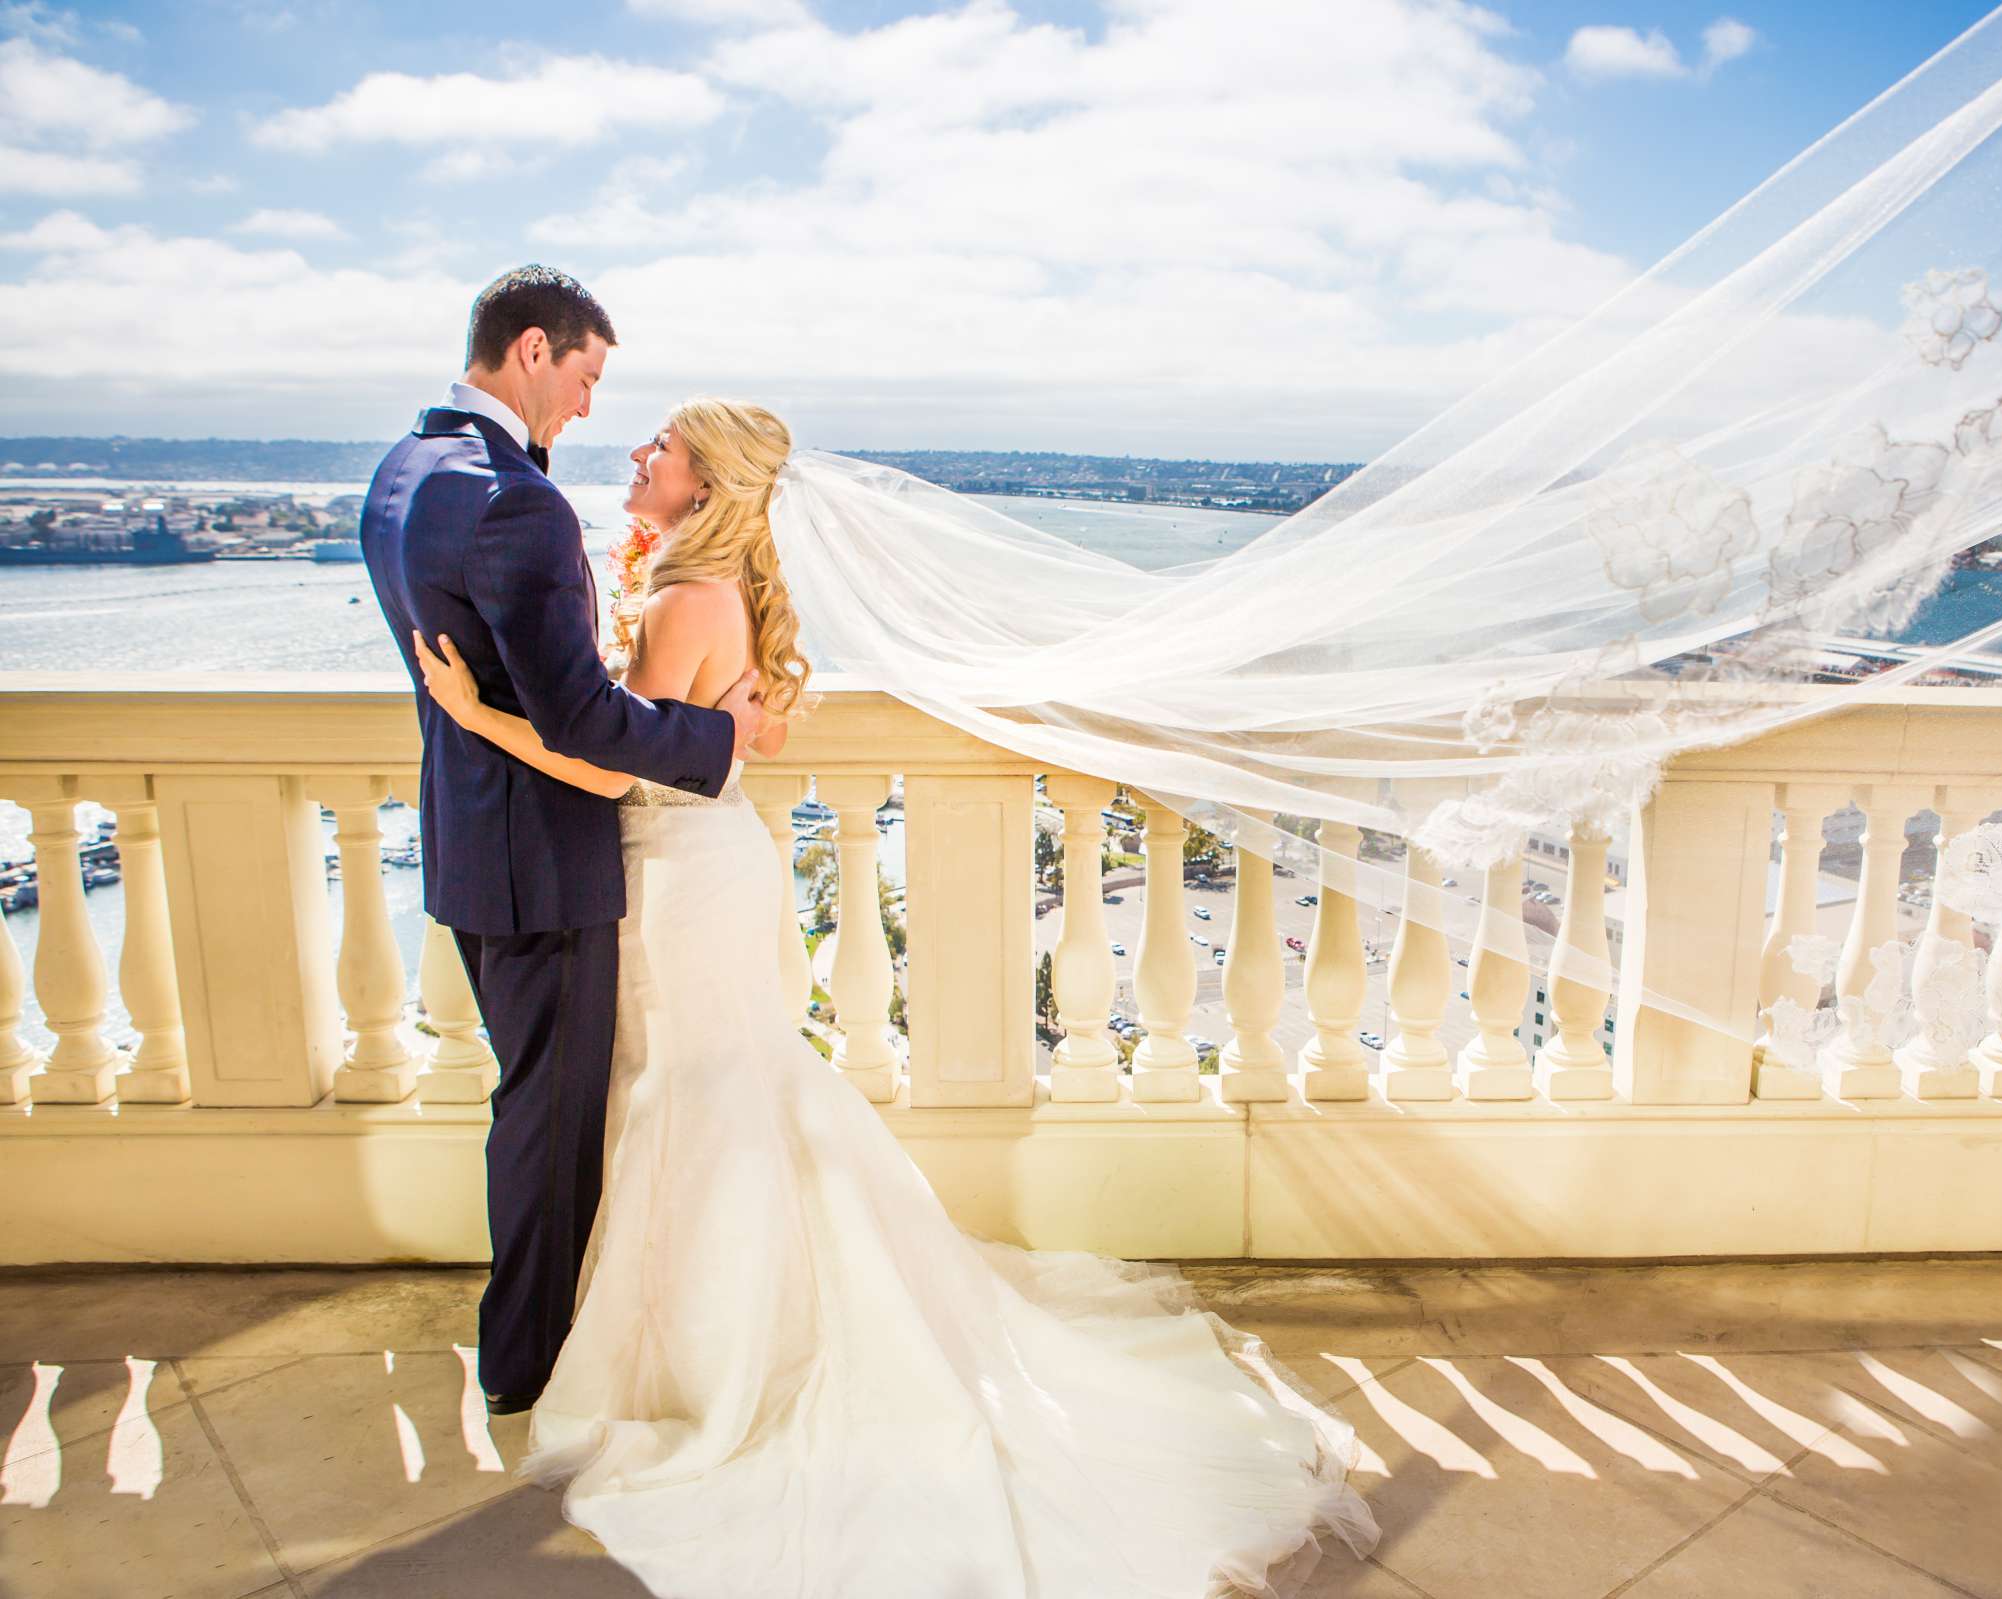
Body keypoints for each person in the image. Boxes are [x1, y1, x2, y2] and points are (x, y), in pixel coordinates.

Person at [410, 397, 1379, 1597]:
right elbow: (720, 736)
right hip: (709, 863)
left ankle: (710, 1361)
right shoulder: (710, 593)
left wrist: (476, 715)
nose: (639, 456)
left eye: (660, 447)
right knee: (725, 1090)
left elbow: (612, 760)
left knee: (692, 1094)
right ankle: (716, 1332)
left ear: (705, 485)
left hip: (674, 876)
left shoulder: (681, 601)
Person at [359, 266, 768, 1416]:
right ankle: (529, 1362)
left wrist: (487, 717)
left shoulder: (403, 472)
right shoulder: (512, 499)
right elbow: (583, 722)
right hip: (548, 862)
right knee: (550, 1123)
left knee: (535, 1106)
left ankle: (543, 1337)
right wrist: (713, 740)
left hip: (475, 848)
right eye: (587, 377)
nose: (590, 411)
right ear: (534, 351)